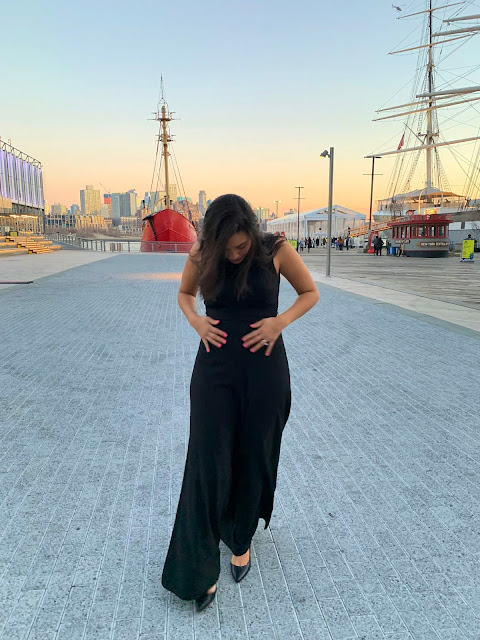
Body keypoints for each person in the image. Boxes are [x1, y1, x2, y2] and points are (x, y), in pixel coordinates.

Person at [161, 194, 320, 611]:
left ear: (252, 231)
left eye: (241, 246)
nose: (234, 255)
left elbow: (310, 292)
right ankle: (197, 568)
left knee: (254, 454)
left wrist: (279, 323)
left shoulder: (276, 249)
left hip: (265, 373)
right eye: (227, 248)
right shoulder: (203, 252)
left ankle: (240, 538)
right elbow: (184, 294)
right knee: (206, 461)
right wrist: (196, 321)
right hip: (214, 371)